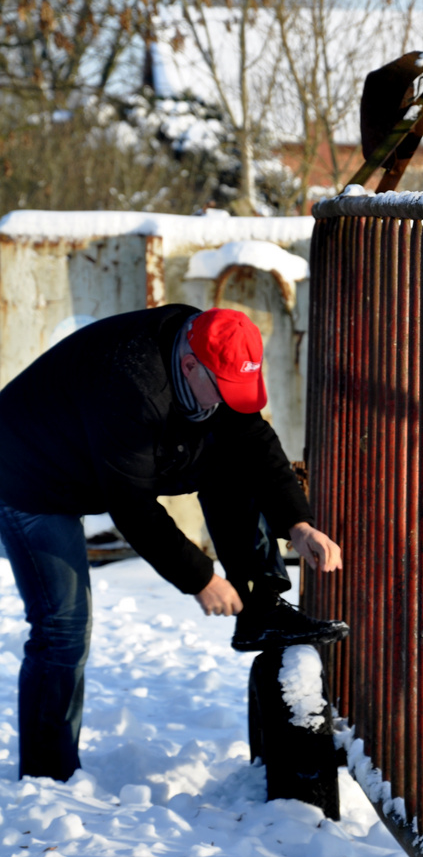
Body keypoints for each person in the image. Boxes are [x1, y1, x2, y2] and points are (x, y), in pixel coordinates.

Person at [0, 304, 348, 782]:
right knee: (62, 627)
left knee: (232, 457)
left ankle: (260, 607)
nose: (232, 400)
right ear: (189, 366)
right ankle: (47, 777)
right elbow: (133, 508)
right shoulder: (129, 387)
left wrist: (299, 524)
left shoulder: (214, 345)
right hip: (29, 475)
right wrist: (200, 577)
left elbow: (255, 439)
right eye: (223, 389)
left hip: (92, 456)